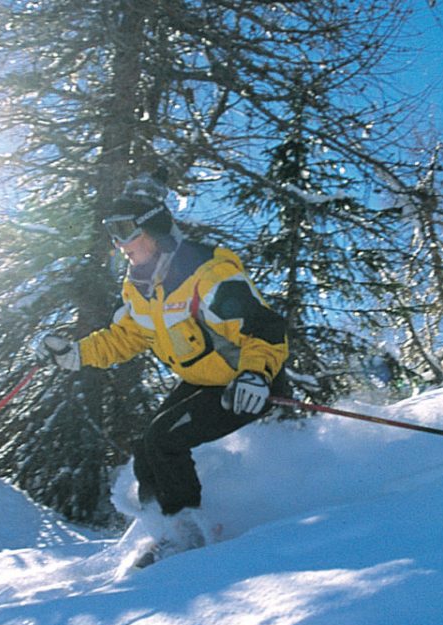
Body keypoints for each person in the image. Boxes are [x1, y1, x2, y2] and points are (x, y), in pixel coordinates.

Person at [36, 173, 289, 566]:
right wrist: (77, 354)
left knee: (164, 440)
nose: (119, 245)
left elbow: (265, 327)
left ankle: (188, 537)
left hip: (248, 384)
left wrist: (256, 376)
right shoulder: (142, 286)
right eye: (111, 235)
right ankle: (163, 529)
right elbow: (127, 337)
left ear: (154, 228)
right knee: (146, 449)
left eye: (124, 232)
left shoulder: (209, 275)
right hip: (205, 381)